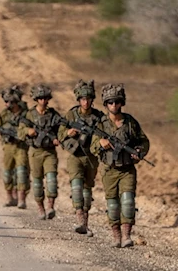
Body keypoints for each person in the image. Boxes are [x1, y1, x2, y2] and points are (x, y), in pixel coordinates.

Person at [90, 83, 150, 248]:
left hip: (127, 169)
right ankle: (116, 235)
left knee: (128, 201)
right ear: (106, 104)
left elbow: (144, 141)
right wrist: (101, 143)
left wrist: (139, 151)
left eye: (117, 102)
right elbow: (93, 145)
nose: (114, 105)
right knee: (112, 204)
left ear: (122, 102)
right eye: (110, 102)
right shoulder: (101, 124)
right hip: (109, 169)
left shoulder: (130, 123)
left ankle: (126, 236)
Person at [58, 80, 104, 237]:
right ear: (79, 100)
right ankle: (79, 220)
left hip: (91, 157)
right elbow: (59, 134)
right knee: (76, 187)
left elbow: (107, 132)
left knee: (87, 191)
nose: (86, 102)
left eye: (88, 99)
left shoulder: (99, 117)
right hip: (75, 156)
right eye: (83, 99)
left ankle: (85, 223)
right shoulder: (71, 115)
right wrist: (68, 133)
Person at [18, 84, 61, 220]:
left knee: (52, 180)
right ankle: (40, 208)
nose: (43, 101)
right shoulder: (30, 115)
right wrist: (28, 131)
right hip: (35, 152)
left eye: (45, 98)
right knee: (37, 182)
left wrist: (58, 138)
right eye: (40, 98)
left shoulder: (53, 115)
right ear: (36, 99)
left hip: (49, 152)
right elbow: (20, 131)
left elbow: (62, 129)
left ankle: (50, 206)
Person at [0, 85, 30, 209]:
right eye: (6, 101)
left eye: (9, 102)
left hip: (21, 147)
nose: (7, 104)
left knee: (21, 172)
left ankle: (21, 199)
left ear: (16, 102)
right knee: (7, 173)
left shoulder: (26, 114)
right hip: (8, 146)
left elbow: (32, 128)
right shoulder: (4, 114)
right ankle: (10, 197)